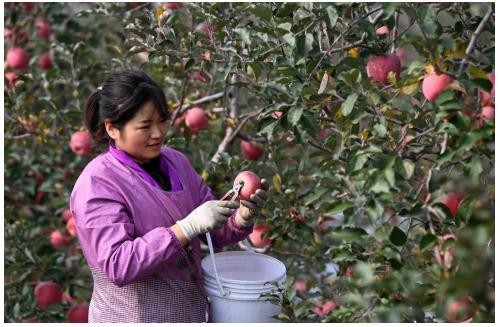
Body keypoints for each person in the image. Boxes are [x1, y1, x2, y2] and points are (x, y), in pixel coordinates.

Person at [70, 69, 268, 323]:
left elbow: (213, 232)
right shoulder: (98, 183)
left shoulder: (176, 163)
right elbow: (119, 265)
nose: (158, 133)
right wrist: (185, 228)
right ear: (112, 128)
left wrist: (241, 217)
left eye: (162, 120)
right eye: (144, 126)